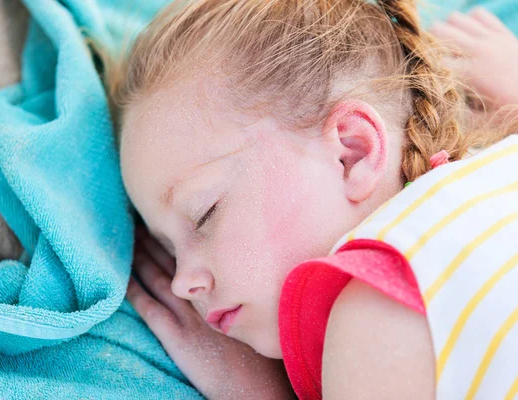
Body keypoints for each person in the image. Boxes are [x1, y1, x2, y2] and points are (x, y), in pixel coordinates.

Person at [108, 0, 518, 398]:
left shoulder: (371, 316)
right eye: (167, 250)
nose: (181, 283)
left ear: (351, 153)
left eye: (204, 215)